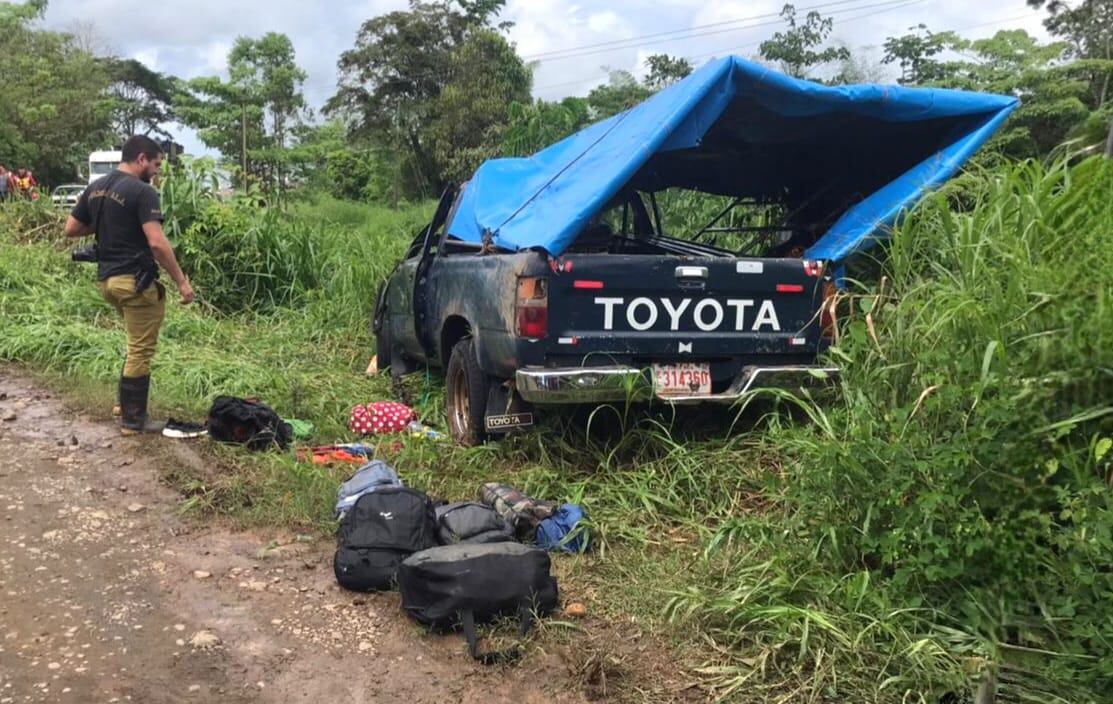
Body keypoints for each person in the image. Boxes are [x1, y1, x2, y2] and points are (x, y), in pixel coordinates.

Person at [63, 135, 195, 434]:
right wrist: (182, 283)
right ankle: (133, 420)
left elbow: (71, 228)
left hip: (108, 281)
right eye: (156, 164)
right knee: (141, 349)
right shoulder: (142, 191)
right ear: (141, 159)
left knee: (135, 344)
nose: (158, 171)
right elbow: (158, 244)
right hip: (134, 282)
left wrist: (108, 220)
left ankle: (124, 405)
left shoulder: (96, 187)